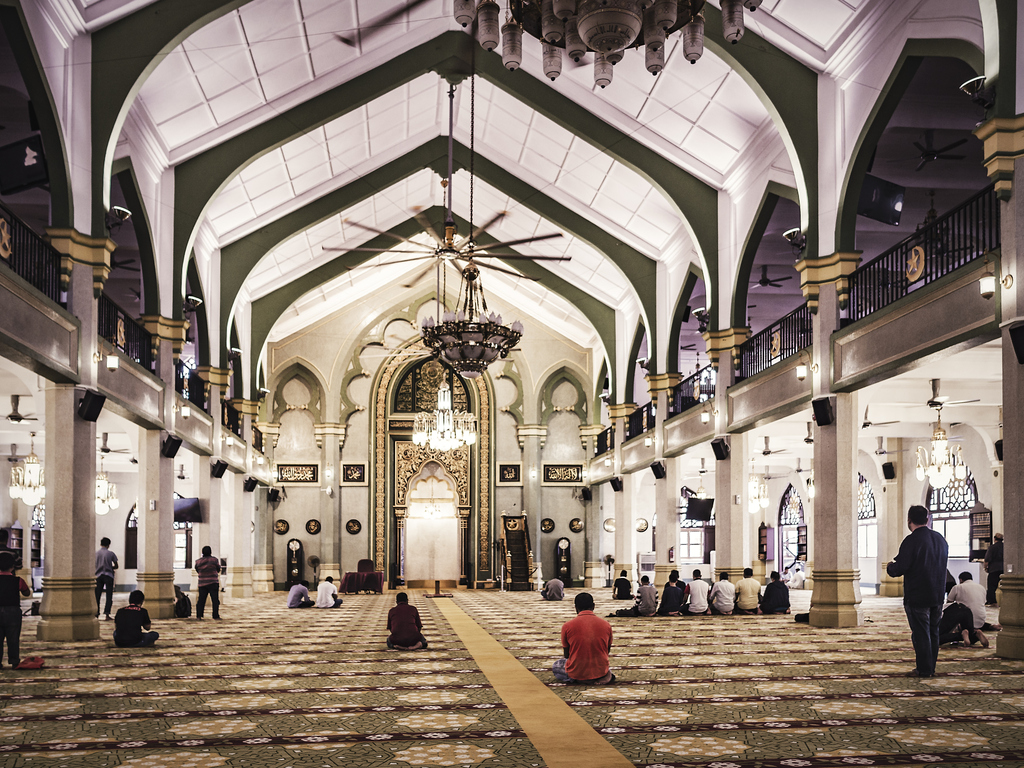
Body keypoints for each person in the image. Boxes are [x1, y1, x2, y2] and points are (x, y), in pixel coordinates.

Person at [886, 504, 949, 678]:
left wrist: (890, 567)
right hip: (937, 594)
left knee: (921, 633)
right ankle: (931, 667)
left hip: (918, 594)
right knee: (933, 631)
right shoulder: (940, 539)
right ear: (927, 519)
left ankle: (924, 669)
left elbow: (901, 567)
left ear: (909, 520)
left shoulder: (912, 540)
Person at [553, 592, 614, 685]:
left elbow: (567, 655)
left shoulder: (567, 626)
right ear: (593, 606)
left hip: (577, 671)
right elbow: (607, 650)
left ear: (576, 608)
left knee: (557, 666)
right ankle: (602, 676)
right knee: (602, 662)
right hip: (600, 670)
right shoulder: (606, 624)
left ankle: (580, 678)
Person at [0, 552, 31, 669]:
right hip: (13, 612)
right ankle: (14, 661)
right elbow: (26, 593)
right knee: (13, 638)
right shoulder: (18, 580)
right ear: (12, 567)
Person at [946, 571, 989, 647]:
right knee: (971, 631)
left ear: (961, 580)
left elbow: (949, 603)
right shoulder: (981, 587)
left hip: (964, 621)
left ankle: (963, 633)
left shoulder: (958, 587)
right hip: (980, 621)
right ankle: (976, 634)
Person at [193, 546, 221, 620]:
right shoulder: (214, 560)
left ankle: (199, 615)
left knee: (201, 600)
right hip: (213, 582)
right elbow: (218, 569)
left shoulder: (198, 561)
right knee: (215, 600)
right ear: (210, 552)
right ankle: (215, 615)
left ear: (202, 553)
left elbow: (197, 569)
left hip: (202, 583)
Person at [94, 537, 118, 620]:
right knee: (109, 595)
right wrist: (110, 567)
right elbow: (116, 565)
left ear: (100, 544)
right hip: (109, 575)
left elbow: (94, 565)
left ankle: (96, 614)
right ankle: (107, 614)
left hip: (98, 576)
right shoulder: (111, 554)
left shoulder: (96, 554)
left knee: (97, 595)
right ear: (108, 545)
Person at [984, 533, 1004, 606]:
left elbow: (987, 559)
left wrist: (985, 568)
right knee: (1002, 586)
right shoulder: (1005, 546)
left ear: (994, 538)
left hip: (994, 569)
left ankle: (992, 601)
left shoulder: (992, 547)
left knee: (992, 586)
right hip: (1003, 569)